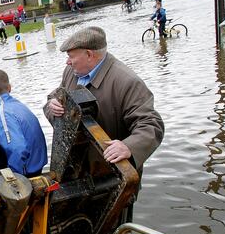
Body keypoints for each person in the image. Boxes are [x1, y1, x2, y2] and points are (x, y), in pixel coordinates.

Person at [44, 26, 164, 173]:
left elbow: (151, 125)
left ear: (89, 54)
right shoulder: (71, 71)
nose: (67, 62)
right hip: (76, 168)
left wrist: (129, 147)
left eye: (71, 56)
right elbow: (55, 96)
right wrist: (52, 105)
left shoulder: (127, 82)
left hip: (112, 172)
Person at [0, 69, 47, 176]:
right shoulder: (19, 105)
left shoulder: (3, 113)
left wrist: (15, 178)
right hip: (38, 165)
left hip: (28, 173)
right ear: (9, 87)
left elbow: (17, 149)